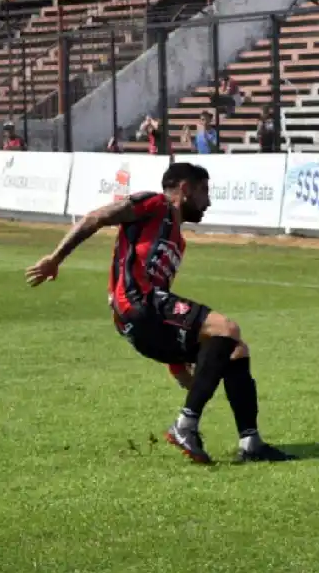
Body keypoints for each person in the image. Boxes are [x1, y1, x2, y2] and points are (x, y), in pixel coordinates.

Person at [23, 162, 292, 464]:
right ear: (185, 189)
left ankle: (250, 442)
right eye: (204, 191)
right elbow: (96, 217)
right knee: (226, 328)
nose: (209, 202)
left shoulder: (178, 240)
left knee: (235, 351)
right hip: (138, 304)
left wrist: (177, 361)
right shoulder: (154, 204)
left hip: (148, 319)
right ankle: (185, 426)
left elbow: (170, 315)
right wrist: (56, 258)